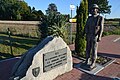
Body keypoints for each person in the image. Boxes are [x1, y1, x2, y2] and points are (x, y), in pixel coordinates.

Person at [84, 4, 104, 69]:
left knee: (94, 50)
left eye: (95, 8)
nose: (93, 10)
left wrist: (100, 36)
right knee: (88, 48)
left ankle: (93, 62)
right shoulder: (89, 18)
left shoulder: (100, 18)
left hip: (95, 36)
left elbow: (101, 28)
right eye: (92, 9)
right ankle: (87, 60)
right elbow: (86, 26)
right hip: (89, 35)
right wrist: (85, 32)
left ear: (97, 10)